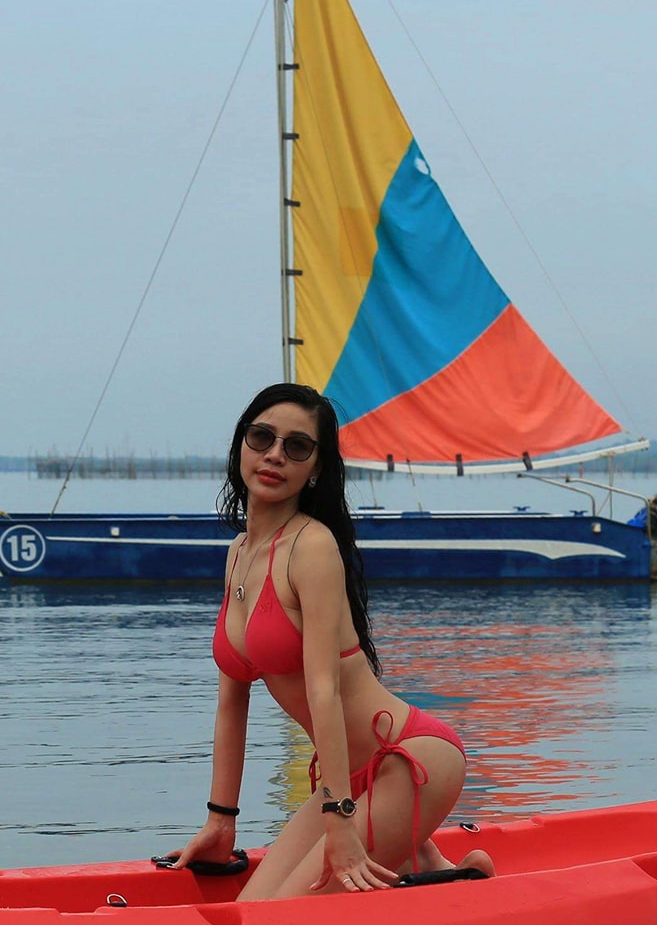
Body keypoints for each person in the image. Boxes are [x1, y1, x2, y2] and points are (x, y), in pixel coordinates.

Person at [171, 383, 492, 898]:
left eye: (297, 446)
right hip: (346, 779)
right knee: (250, 909)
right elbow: (232, 702)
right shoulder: (237, 553)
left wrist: (342, 825)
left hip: (408, 762)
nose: (275, 454)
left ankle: (425, 863)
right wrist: (220, 822)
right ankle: (435, 870)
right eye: (262, 437)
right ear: (240, 447)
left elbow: (325, 691)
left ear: (316, 467)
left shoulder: (312, 547)